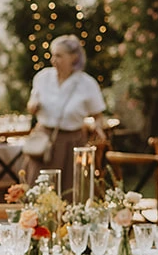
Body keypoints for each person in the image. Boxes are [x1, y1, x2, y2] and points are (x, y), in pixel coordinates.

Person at [25, 34, 106, 193]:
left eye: (59, 56)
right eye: (53, 55)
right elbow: (31, 104)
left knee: (71, 191)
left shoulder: (87, 83)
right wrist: (33, 107)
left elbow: (98, 115)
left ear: (73, 57)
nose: (54, 60)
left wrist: (98, 128)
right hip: (44, 143)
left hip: (73, 142)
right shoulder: (43, 77)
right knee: (38, 190)